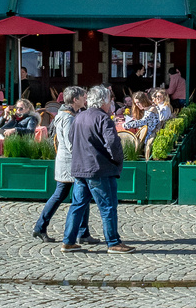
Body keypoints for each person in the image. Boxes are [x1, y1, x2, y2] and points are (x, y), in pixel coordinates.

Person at [63, 85, 133, 253]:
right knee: (107, 206)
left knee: (77, 205)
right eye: (109, 100)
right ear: (103, 101)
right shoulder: (103, 118)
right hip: (99, 169)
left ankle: (68, 241)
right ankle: (113, 242)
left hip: (80, 168)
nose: (111, 104)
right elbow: (113, 144)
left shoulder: (79, 116)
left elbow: (71, 139)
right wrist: (116, 161)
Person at [33, 86, 85, 242]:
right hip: (70, 163)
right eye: (83, 96)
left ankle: (83, 232)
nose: (85, 99)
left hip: (68, 162)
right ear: (75, 100)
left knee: (76, 196)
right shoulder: (67, 117)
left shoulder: (67, 114)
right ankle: (40, 227)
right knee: (75, 196)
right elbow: (71, 144)